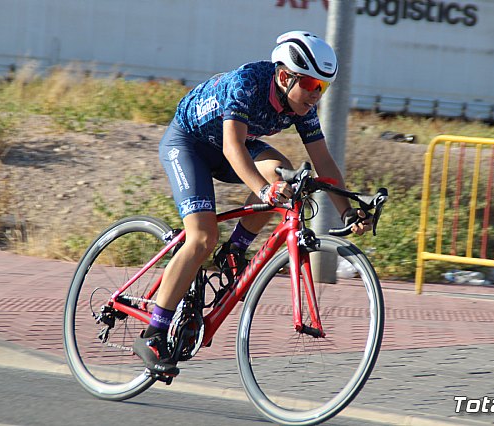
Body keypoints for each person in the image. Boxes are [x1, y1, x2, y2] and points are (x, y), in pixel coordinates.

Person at [133, 31, 372, 375]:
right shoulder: (247, 83)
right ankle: (154, 332)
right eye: (311, 85)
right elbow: (233, 148)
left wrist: (348, 208)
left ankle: (235, 250)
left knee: (284, 176)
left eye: (323, 88)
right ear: (285, 75)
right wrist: (263, 191)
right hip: (189, 144)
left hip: (232, 149)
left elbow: (324, 162)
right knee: (202, 236)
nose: (316, 96)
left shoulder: (301, 105)